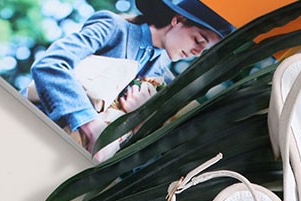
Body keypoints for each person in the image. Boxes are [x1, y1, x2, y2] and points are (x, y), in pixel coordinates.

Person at [30, 0, 234, 154]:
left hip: (75, 164)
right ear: (178, 20)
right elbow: (51, 65)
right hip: (36, 129)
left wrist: (139, 119)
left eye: (204, 49)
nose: (197, 52)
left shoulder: (164, 81)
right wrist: (92, 127)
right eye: (198, 40)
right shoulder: (115, 28)